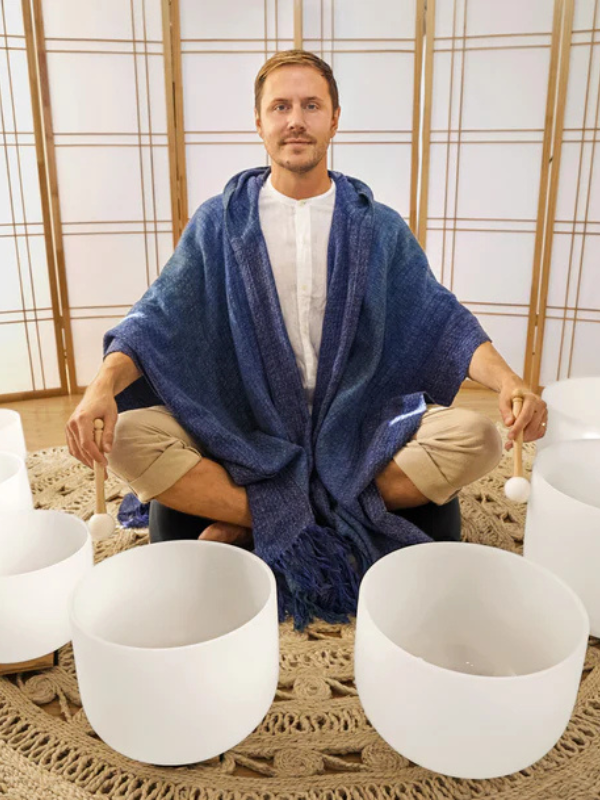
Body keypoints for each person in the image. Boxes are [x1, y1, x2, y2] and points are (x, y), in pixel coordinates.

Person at [66, 50, 547, 626]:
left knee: (480, 439)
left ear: (334, 119)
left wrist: (511, 381)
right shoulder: (220, 222)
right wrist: (101, 388)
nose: (296, 119)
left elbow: (442, 321)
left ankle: (255, 519)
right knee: (127, 437)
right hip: (242, 423)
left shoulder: (377, 225)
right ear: (260, 121)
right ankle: (326, 512)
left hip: (358, 423)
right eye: (281, 106)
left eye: (311, 105)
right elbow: (156, 316)